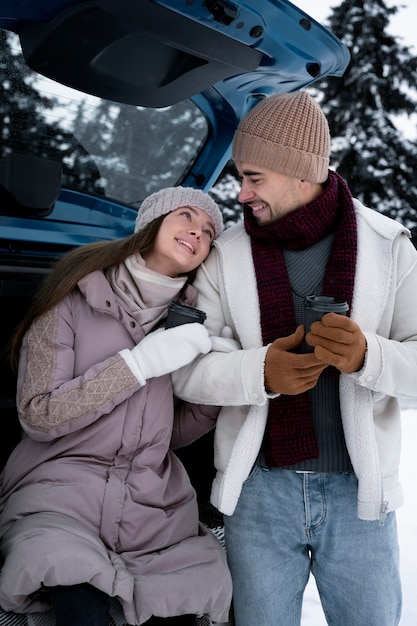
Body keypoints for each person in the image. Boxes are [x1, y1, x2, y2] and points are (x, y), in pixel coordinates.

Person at [172, 91, 417, 626]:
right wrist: (260, 371)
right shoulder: (224, 257)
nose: (242, 193)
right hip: (258, 493)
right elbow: (189, 371)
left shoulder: (388, 246)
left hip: (360, 496)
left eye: (254, 176)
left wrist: (367, 356)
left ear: (298, 171)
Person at [0, 186, 232, 626]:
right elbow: (38, 413)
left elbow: (166, 436)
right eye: (186, 216)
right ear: (151, 223)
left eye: (207, 231)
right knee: (72, 590)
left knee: (189, 596)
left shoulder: (190, 322)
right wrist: (140, 364)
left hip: (152, 504)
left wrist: (214, 388)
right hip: (58, 494)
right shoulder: (72, 299)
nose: (196, 232)